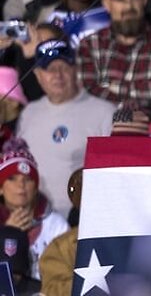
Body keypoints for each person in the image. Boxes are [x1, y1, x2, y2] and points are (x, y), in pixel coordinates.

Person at [15, 39, 113, 217]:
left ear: (75, 69)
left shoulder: (104, 113)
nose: (57, 75)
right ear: (38, 74)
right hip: (34, 222)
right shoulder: (28, 113)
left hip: (83, 221)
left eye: (64, 67)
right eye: (49, 69)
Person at [0, 139, 69, 283]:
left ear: (36, 186)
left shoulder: (56, 225)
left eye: (28, 179)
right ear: (1, 188)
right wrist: (9, 234)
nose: (21, 185)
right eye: (12, 179)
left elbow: (65, 277)